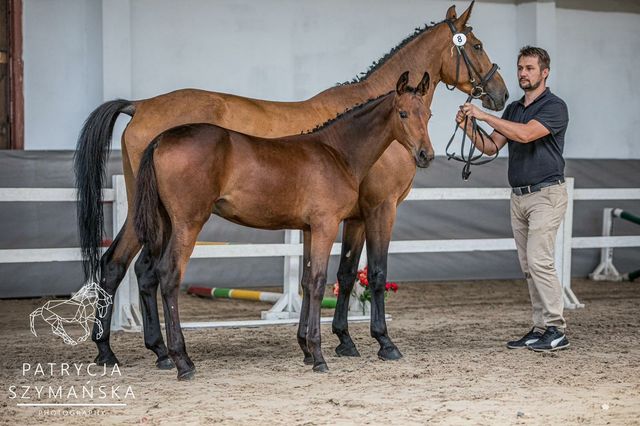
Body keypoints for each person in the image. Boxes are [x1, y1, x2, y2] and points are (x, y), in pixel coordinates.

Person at [456, 46, 570, 352]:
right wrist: (469, 127)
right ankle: (540, 327)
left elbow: (525, 135)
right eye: (520, 68)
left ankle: (557, 328)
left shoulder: (554, 107)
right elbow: (492, 146)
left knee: (539, 260)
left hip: (546, 194)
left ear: (545, 72)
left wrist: (483, 114)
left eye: (530, 68)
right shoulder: (515, 109)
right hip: (519, 196)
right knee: (528, 265)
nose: (523, 73)